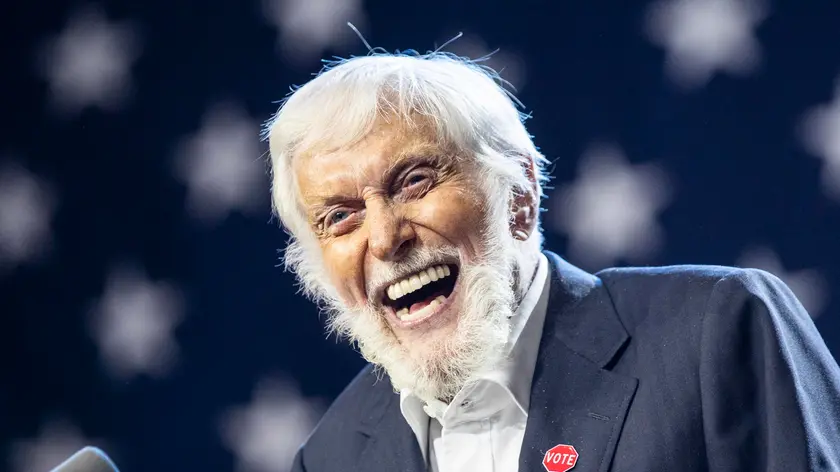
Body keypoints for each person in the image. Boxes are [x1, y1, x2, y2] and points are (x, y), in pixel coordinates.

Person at [265, 51, 840, 472]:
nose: (385, 239)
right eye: (339, 217)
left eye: (415, 181)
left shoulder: (717, 331)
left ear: (519, 195)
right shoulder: (331, 457)